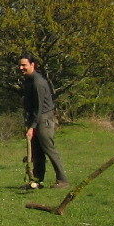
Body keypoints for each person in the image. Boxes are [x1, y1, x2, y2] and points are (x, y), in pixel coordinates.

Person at [18, 55, 67, 189]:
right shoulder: (27, 81)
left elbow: (39, 107)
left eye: (24, 65)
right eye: (20, 65)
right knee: (37, 152)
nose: (21, 68)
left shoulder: (38, 82)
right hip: (35, 119)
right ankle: (37, 181)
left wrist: (32, 127)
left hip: (43, 119)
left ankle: (63, 180)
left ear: (32, 65)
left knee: (49, 149)